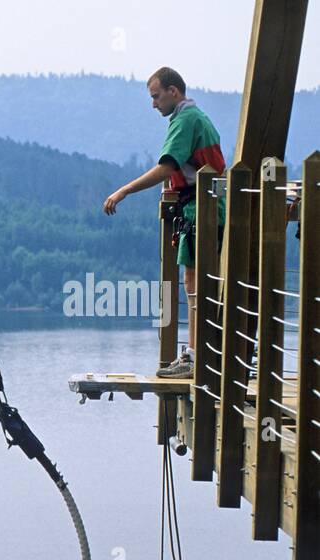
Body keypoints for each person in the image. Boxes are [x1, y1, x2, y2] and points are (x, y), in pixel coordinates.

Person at [104, 67, 226, 379]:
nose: (153, 104)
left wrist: (124, 190)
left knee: (195, 284)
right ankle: (198, 354)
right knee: (196, 282)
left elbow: (168, 165)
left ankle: (197, 358)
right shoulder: (194, 118)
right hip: (205, 207)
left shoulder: (186, 120)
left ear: (174, 91)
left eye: (156, 96)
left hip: (203, 210)